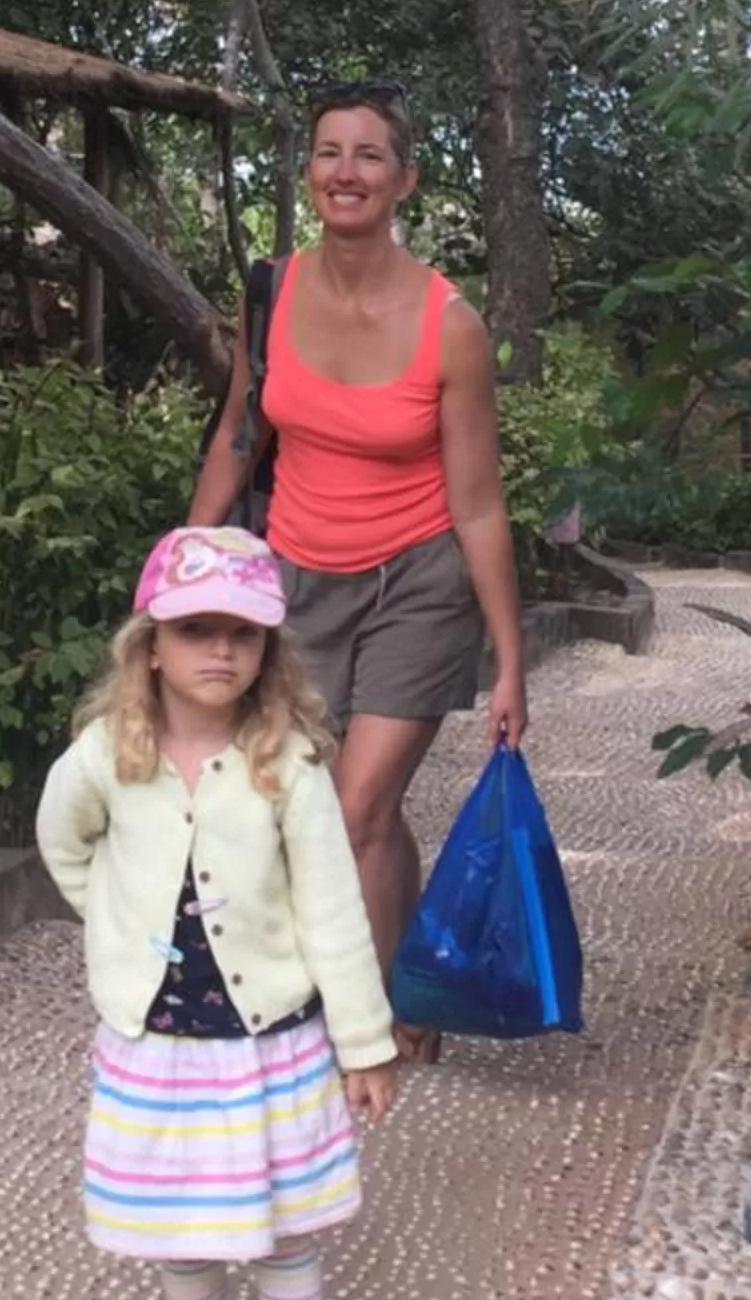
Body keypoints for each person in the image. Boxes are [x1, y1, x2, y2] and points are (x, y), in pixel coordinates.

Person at [37, 522, 399, 1300]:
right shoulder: (105, 758)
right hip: (159, 1056)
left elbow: (332, 903)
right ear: (150, 644)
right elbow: (66, 850)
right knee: (182, 1249)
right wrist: (120, 935)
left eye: (242, 633)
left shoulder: (288, 762)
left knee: (284, 1247)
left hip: (268, 1051)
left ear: (269, 650)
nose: (220, 651)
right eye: (196, 629)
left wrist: (363, 1042)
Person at [191, 80, 527, 1059]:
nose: (347, 171)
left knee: (357, 805)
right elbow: (238, 434)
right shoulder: (273, 289)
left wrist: (509, 662)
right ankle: (408, 961)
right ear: (308, 174)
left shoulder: (449, 324)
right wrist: (186, 551)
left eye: (370, 155)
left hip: (418, 585)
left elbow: (478, 502)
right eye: (330, 152)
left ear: (404, 180)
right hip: (295, 581)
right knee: (334, 806)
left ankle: (374, 1014)